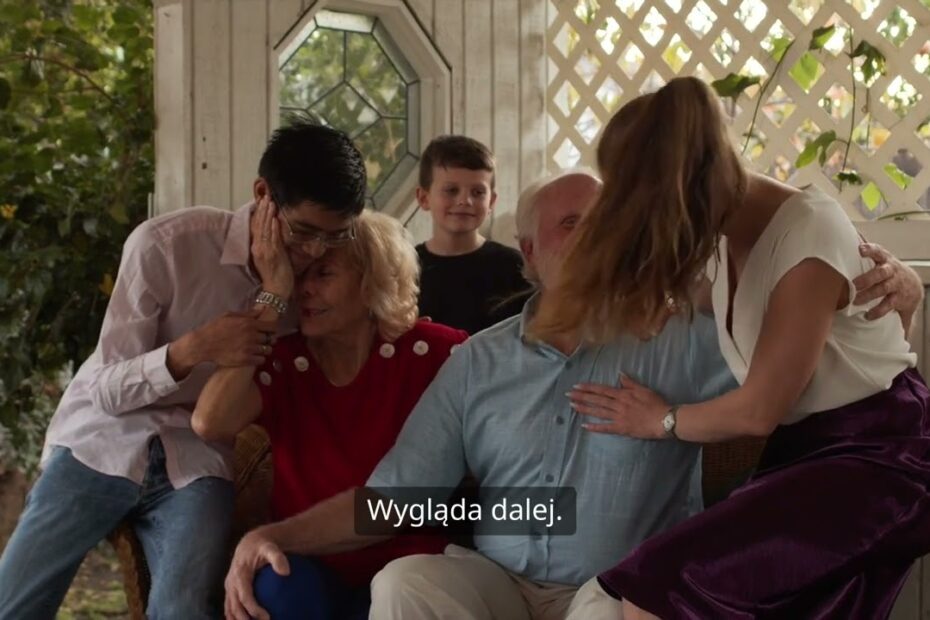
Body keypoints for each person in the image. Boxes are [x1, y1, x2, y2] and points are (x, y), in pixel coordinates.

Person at [221, 168, 742, 620]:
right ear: (530, 251)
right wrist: (273, 536)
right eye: (571, 223)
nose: (597, 236)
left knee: (615, 607)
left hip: (614, 587)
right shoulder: (478, 361)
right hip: (500, 585)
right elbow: (396, 501)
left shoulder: (683, 339)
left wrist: (672, 419)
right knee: (404, 582)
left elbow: (782, 380)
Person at [533, 76, 930, 619]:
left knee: (659, 587)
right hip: (804, 456)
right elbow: (658, 299)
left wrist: (662, 421)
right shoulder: (723, 237)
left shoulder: (807, 234)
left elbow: (758, 410)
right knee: (641, 591)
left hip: (882, 460)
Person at [0, 120, 367, 619]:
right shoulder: (166, 245)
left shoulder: (314, 288)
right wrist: (191, 349)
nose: (316, 252)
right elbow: (107, 391)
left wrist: (276, 293)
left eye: (335, 236)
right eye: (303, 232)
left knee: (184, 609)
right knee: (15, 604)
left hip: (197, 460)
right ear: (263, 194)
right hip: (101, 439)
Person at [192, 209, 467, 620]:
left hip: (409, 565)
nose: (304, 289)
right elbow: (209, 422)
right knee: (274, 584)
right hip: (310, 560)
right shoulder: (284, 361)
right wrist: (273, 296)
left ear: (372, 281)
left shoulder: (435, 353)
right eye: (298, 276)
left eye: (323, 274)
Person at [414, 135, 530, 333]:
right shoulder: (404, 269)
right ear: (424, 198)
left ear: (491, 201)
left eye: (477, 192)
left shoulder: (516, 268)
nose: (465, 201)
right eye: (451, 190)